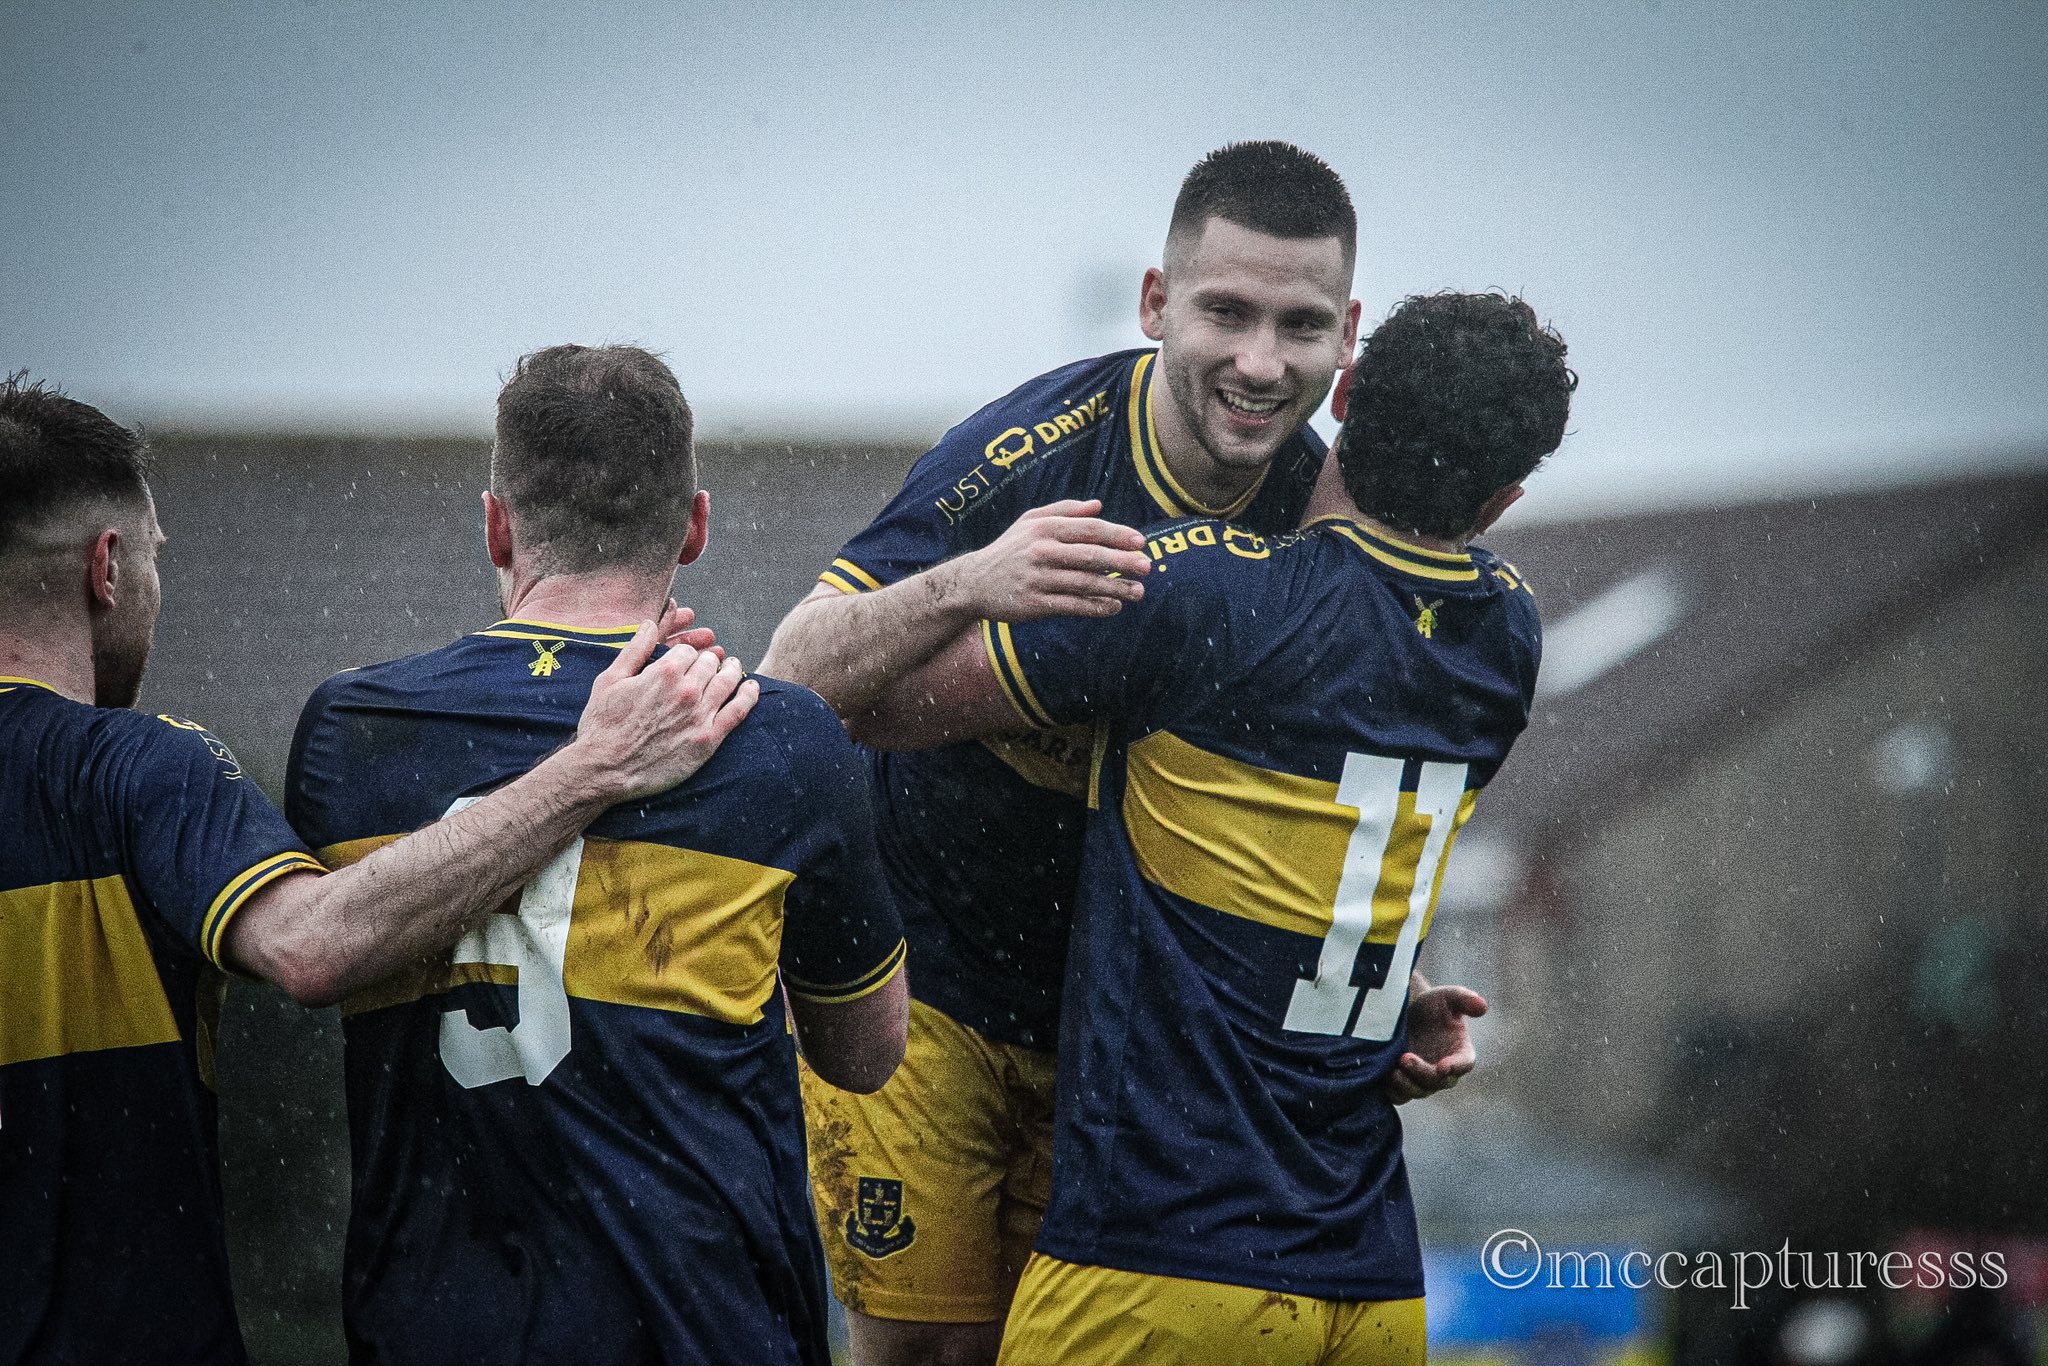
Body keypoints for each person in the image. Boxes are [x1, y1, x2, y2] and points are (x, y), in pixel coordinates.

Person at [765, 140, 1495, 1366]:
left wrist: (1366, 984)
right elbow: (789, 674)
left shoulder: (1326, 515)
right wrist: (968, 580)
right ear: (1156, 303)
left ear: (1346, 337)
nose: (1261, 364)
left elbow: (1341, 774)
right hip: (922, 987)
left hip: (1114, 1036)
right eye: (1225, 312)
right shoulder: (1032, 454)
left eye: (1299, 325)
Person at [0, 373, 753, 1366]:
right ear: (105, 567)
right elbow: (313, 945)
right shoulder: (135, 770)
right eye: (152, 559)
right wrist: (594, 764)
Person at [284, 343, 910, 1366]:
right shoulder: (780, 740)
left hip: (434, 1330)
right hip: (707, 1326)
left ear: (495, 523)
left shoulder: (352, 728)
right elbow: (866, 1052)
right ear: (695, 526)